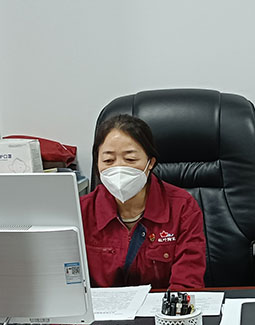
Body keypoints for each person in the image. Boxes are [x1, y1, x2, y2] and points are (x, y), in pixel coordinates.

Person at [80, 114, 206, 289]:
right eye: (108, 160)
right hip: (102, 306)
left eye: (130, 159)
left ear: (150, 162)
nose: (118, 168)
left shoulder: (183, 207)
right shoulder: (80, 211)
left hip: (163, 304)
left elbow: (187, 283)